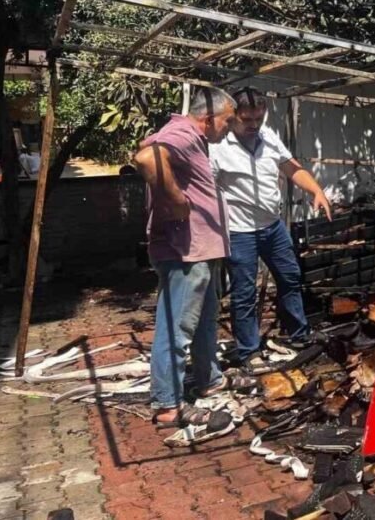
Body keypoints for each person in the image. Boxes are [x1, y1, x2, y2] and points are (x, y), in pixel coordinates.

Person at [133, 86, 241, 429]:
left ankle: (209, 379)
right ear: (208, 118)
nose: (230, 128)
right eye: (228, 121)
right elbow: (146, 157)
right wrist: (177, 201)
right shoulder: (182, 132)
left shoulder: (191, 138)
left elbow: (149, 149)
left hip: (199, 251)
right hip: (184, 253)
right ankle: (168, 403)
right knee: (177, 326)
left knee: (205, 320)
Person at [209, 87, 332, 370]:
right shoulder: (218, 146)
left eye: (259, 118)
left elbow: (292, 168)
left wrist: (316, 190)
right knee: (244, 292)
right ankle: (248, 352)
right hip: (239, 231)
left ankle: (298, 335)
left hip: (273, 227)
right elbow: (206, 188)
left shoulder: (268, 136)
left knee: (290, 277)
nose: (254, 125)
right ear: (233, 116)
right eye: (247, 120)